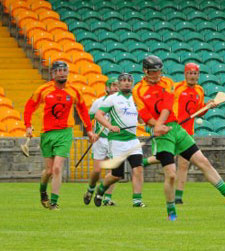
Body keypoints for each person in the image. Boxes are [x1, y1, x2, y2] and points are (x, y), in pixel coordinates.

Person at [133, 55, 225, 221]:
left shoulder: (167, 83)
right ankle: (171, 209)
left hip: (176, 129)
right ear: (145, 71)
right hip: (162, 136)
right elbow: (144, 113)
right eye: (154, 71)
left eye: (160, 70)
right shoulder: (138, 90)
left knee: (203, 162)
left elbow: (167, 106)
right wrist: (156, 126)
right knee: (171, 174)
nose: (158, 74)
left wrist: (160, 123)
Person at [24, 61, 96, 210]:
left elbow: (83, 110)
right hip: (47, 133)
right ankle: (43, 191)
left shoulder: (74, 91)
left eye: (64, 70)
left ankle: (54, 202)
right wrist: (28, 126)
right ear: (53, 73)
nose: (62, 73)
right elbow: (29, 107)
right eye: (59, 71)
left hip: (65, 132)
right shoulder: (43, 90)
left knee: (57, 168)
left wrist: (89, 130)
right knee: (48, 171)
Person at [93, 73, 145, 208]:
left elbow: (140, 118)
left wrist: (144, 120)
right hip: (116, 141)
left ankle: (137, 201)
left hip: (133, 140)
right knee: (117, 175)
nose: (126, 83)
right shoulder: (112, 99)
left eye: (129, 80)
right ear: (119, 84)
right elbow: (99, 115)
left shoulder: (136, 99)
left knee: (138, 168)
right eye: (123, 81)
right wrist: (110, 126)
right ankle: (101, 190)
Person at [172, 62, 217, 204]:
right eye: (190, 73)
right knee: (164, 158)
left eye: (195, 73)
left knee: (184, 164)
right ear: (185, 74)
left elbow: (199, 112)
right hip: (173, 129)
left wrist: (208, 106)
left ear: (198, 75)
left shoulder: (199, 90)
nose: (192, 76)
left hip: (188, 132)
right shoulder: (176, 88)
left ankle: (178, 197)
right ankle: (140, 162)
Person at [83, 77, 119, 206]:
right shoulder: (99, 102)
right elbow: (88, 118)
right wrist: (91, 133)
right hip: (100, 139)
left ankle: (107, 197)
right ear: (107, 88)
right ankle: (90, 189)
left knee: (113, 171)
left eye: (117, 85)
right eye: (113, 85)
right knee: (97, 170)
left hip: (114, 140)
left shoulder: (122, 103)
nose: (116, 87)